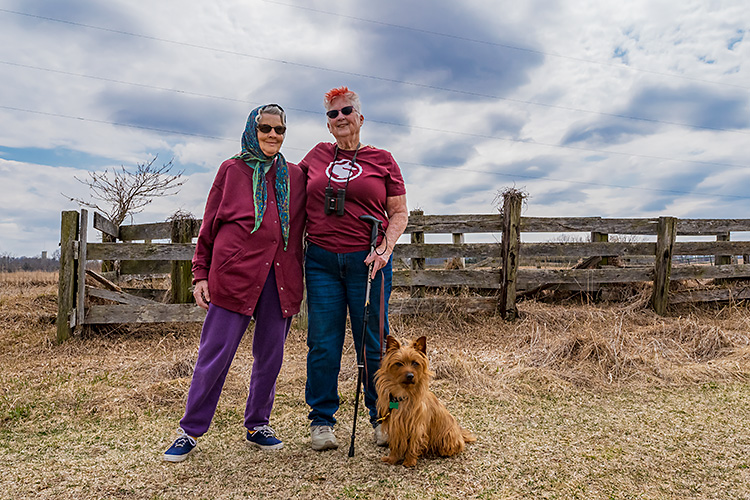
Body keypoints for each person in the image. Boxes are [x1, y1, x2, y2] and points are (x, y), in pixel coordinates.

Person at [163, 104, 306, 462]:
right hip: (233, 277)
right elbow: (208, 227)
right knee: (215, 355)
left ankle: (258, 423)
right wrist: (200, 274)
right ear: (251, 130)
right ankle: (190, 430)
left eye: (280, 129)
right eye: (266, 128)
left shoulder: (295, 176)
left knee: (270, 357)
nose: (273, 135)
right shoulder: (231, 170)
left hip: (280, 278)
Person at [299, 87, 408, 451]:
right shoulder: (314, 157)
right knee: (323, 343)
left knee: (376, 345)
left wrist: (385, 247)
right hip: (322, 262)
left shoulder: (383, 160)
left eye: (347, 111)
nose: (340, 117)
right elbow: (284, 189)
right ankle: (321, 420)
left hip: (369, 263)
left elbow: (398, 213)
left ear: (360, 117)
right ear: (327, 124)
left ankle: (385, 416)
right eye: (332, 114)